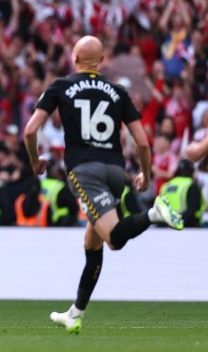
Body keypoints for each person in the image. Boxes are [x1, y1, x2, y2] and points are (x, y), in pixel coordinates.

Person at [24, 35, 184, 334]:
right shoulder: (117, 91)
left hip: (85, 171)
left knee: (113, 238)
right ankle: (75, 312)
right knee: (92, 243)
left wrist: (35, 162)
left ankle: (154, 214)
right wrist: (146, 176)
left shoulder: (60, 85)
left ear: (74, 58)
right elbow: (143, 143)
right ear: (100, 61)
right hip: (114, 171)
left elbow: (31, 130)